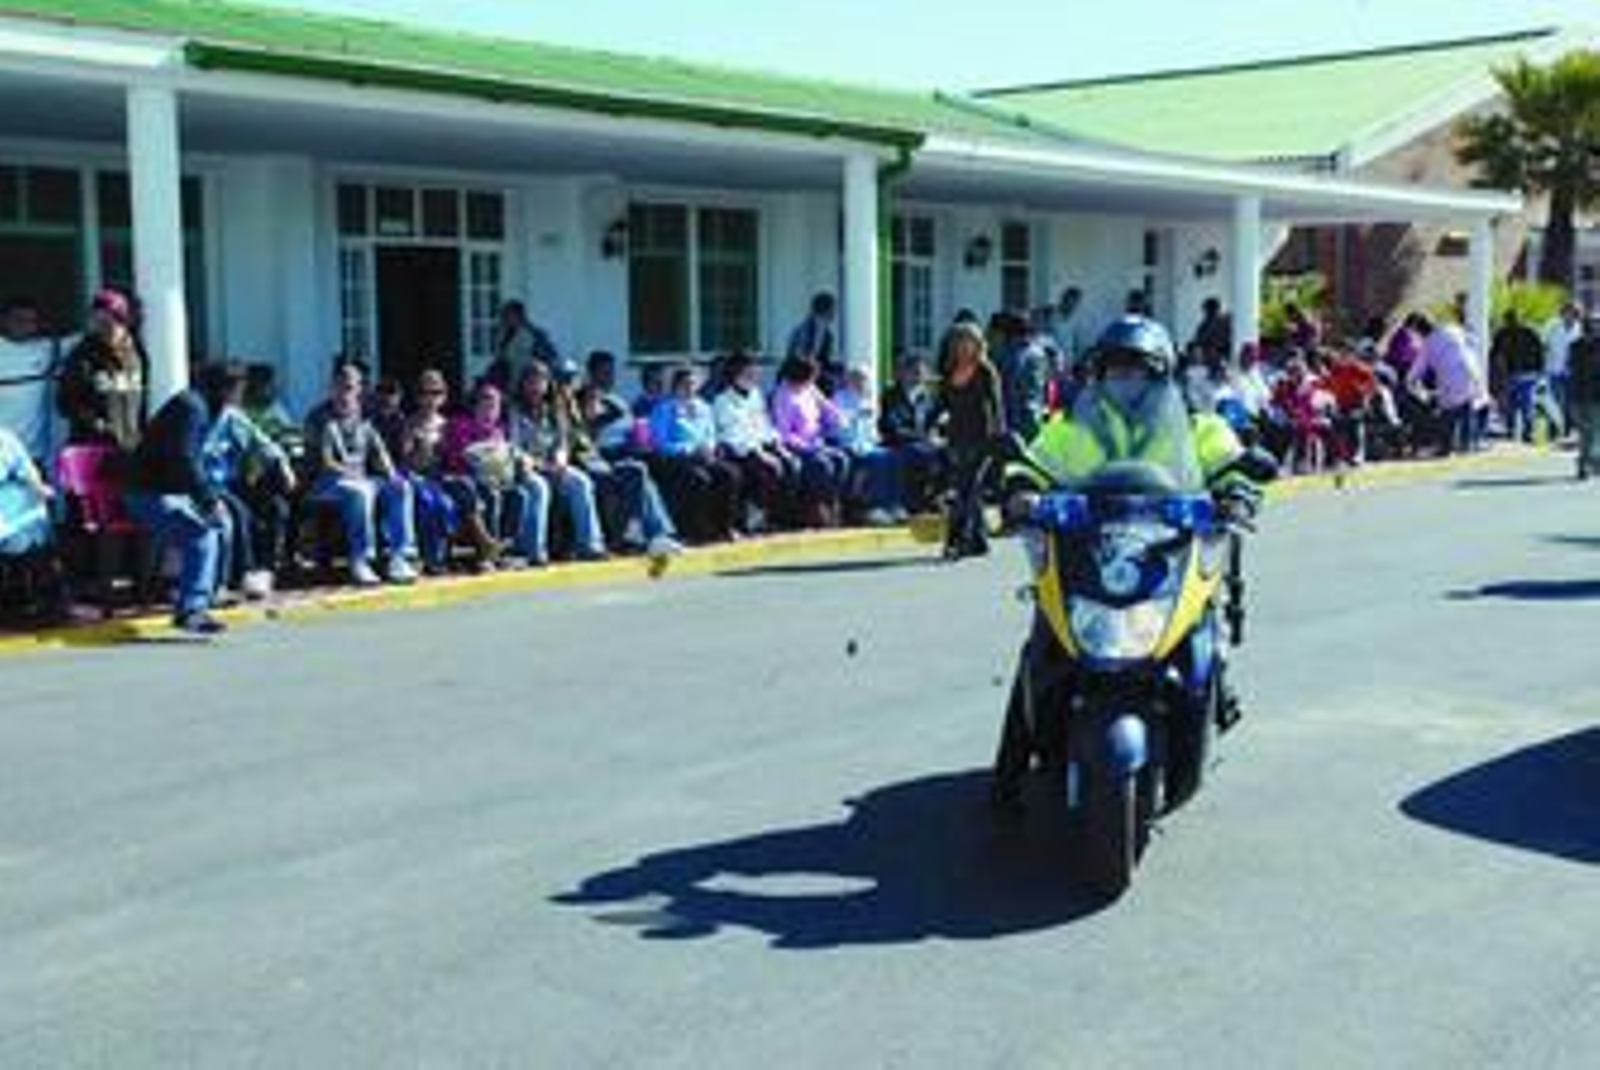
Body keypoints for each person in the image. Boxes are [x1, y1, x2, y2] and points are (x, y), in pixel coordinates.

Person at [990, 315, 1262, 812]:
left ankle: (1213, 695)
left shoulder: (1197, 428)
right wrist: (1020, 491)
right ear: (1099, 377)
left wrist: (1238, 493)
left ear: (1162, 377)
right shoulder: (1075, 429)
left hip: (1165, 554)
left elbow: (1232, 465)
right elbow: (1033, 463)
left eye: (1137, 372)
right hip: (1090, 551)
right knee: (1045, 640)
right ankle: (1009, 771)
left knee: (1202, 632)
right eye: (1115, 372)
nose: (1125, 382)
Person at [123, 362, 240, 634]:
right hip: (148, 494)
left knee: (223, 521)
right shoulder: (192, 408)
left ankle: (210, 593)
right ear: (225, 388)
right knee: (201, 535)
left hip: (166, 491)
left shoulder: (200, 406)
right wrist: (207, 500)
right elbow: (183, 460)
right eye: (237, 388)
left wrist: (207, 497)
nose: (239, 395)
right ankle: (190, 610)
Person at [303, 360, 419, 587]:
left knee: (400, 488)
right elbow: (323, 462)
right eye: (341, 385)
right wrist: (352, 475)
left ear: (359, 388)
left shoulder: (365, 415)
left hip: (361, 479)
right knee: (360, 493)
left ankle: (399, 556)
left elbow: (379, 450)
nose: (345, 391)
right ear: (332, 386)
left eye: (351, 386)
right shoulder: (319, 417)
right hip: (325, 482)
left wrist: (391, 474)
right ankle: (361, 559)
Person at [200, 362, 297, 598]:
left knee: (275, 507)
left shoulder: (233, 416)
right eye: (237, 388)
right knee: (238, 513)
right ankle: (241, 575)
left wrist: (283, 464)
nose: (241, 392)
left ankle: (267, 569)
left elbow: (262, 442)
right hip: (203, 485)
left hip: (232, 483)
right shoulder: (198, 413)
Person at [507, 361, 608, 562]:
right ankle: (535, 550)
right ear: (523, 384)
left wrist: (560, 462)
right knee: (540, 487)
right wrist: (540, 466)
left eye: (541, 382)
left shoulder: (553, 410)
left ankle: (590, 545)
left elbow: (562, 443)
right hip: (524, 469)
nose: (536, 387)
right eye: (531, 381)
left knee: (581, 482)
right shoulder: (514, 411)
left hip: (552, 466)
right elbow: (514, 448)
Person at [649, 365, 743, 543]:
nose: (690, 388)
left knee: (731, 474)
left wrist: (708, 448)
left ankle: (724, 527)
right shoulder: (664, 409)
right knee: (699, 478)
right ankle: (696, 529)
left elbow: (711, 434)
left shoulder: (704, 407)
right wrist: (690, 449)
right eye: (685, 384)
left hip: (703, 456)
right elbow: (661, 443)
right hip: (676, 459)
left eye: (693, 384)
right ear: (676, 387)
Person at [933, 321, 1003, 559]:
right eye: (960, 341)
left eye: (969, 341)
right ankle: (978, 540)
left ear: (978, 344)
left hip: (982, 435)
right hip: (956, 434)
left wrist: (999, 434)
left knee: (966, 489)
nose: (964, 346)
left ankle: (956, 540)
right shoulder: (949, 368)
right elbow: (941, 402)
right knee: (968, 489)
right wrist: (930, 423)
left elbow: (996, 405)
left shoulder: (985, 370)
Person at [713, 351, 800, 532]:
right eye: (748, 372)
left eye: (754, 372)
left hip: (760, 445)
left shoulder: (755, 395)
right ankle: (755, 516)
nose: (754, 376)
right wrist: (759, 453)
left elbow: (764, 423)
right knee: (770, 468)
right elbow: (732, 435)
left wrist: (777, 444)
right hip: (739, 451)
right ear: (736, 374)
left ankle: (781, 518)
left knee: (792, 464)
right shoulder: (722, 401)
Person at [57, 288, 146, 451]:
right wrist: (95, 422)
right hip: (93, 446)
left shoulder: (137, 354)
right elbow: (65, 403)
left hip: (130, 444)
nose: (105, 329)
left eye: (110, 322)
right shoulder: (83, 355)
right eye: (98, 322)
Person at [770, 355, 850, 528]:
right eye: (811, 377)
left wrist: (839, 418)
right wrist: (807, 446)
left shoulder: (810, 389)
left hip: (816, 442)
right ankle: (816, 508)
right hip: (795, 445)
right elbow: (784, 433)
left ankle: (832, 503)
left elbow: (827, 407)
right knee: (822, 465)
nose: (813, 381)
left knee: (841, 460)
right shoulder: (783, 396)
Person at [830, 366, 908, 525]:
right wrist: (856, 415)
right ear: (850, 380)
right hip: (848, 442)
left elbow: (871, 427)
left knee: (894, 457)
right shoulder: (839, 398)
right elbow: (839, 426)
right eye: (859, 379)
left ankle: (892, 503)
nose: (863, 383)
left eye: (865, 380)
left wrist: (875, 438)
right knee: (877, 460)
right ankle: (873, 506)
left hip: (867, 443)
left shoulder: (868, 398)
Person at [0, 296, 67, 464]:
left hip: (32, 454)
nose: (25, 325)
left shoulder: (48, 348)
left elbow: (90, 337)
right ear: (4, 320)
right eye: (18, 320)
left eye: (31, 321)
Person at [877, 353, 946, 513]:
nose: (919, 377)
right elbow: (892, 427)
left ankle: (934, 497)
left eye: (922, 373)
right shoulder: (891, 395)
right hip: (899, 441)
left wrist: (937, 433)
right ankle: (915, 501)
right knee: (923, 455)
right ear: (903, 373)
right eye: (915, 372)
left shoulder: (927, 397)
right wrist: (923, 438)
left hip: (924, 442)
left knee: (949, 454)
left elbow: (933, 421)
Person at [1490, 310, 1547, 441]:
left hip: (1519, 374)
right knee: (1525, 404)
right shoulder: (1528, 332)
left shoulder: (1504, 334)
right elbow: (1540, 352)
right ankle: (1523, 431)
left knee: (1516, 404)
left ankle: (1516, 430)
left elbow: (1494, 353)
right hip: (1520, 374)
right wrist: (1540, 370)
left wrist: (1539, 369)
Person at [485, 300, 559, 393]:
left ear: (518, 315)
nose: (504, 319)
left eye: (508, 315)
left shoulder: (534, 335)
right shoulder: (505, 336)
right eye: (504, 316)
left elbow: (549, 358)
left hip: (531, 384)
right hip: (512, 384)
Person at [786, 291, 841, 394]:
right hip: (798, 376)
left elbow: (825, 360)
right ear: (825, 310)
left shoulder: (827, 335)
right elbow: (798, 357)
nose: (834, 313)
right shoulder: (803, 330)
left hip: (814, 375)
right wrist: (814, 368)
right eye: (833, 309)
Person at [1543, 301, 1584, 430]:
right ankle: (1554, 426)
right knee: (1556, 399)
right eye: (1567, 312)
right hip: (1554, 369)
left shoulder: (1580, 328)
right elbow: (1544, 344)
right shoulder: (1552, 325)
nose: (1569, 316)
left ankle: (1567, 426)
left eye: (1573, 314)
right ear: (1562, 313)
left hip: (1572, 371)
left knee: (1569, 400)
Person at [1569, 316, 1600, 479]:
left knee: (1588, 433)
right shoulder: (1575, 347)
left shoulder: (1574, 347)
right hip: (1586, 395)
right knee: (1589, 432)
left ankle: (1587, 463)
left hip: (1582, 395)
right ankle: (1587, 463)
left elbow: (1572, 370)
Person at [1190, 297, 1233, 364]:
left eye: (1207, 310)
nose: (1205, 313)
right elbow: (1198, 340)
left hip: (1215, 357)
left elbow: (1200, 339)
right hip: (1212, 357)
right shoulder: (1207, 323)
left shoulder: (1221, 322)